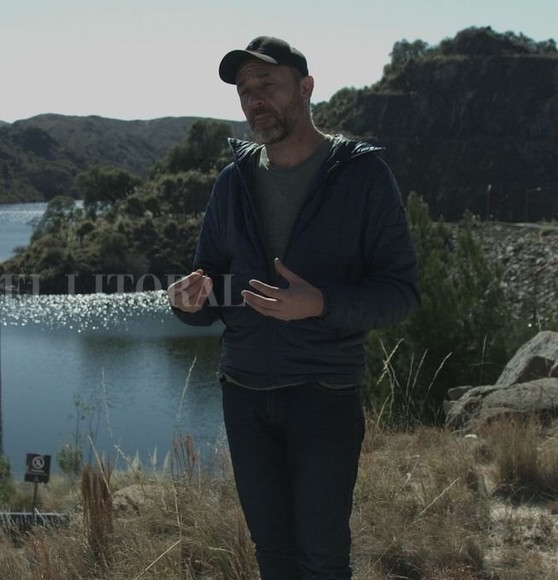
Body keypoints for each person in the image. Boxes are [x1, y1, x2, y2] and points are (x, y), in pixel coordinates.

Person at [167, 36, 420, 579]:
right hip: (244, 395)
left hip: (323, 394)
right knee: (273, 554)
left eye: (268, 85)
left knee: (323, 554)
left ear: (305, 87)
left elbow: (400, 292)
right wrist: (188, 301)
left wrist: (320, 303)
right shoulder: (232, 183)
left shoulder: (363, 177)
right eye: (244, 91)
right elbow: (211, 284)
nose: (255, 100)